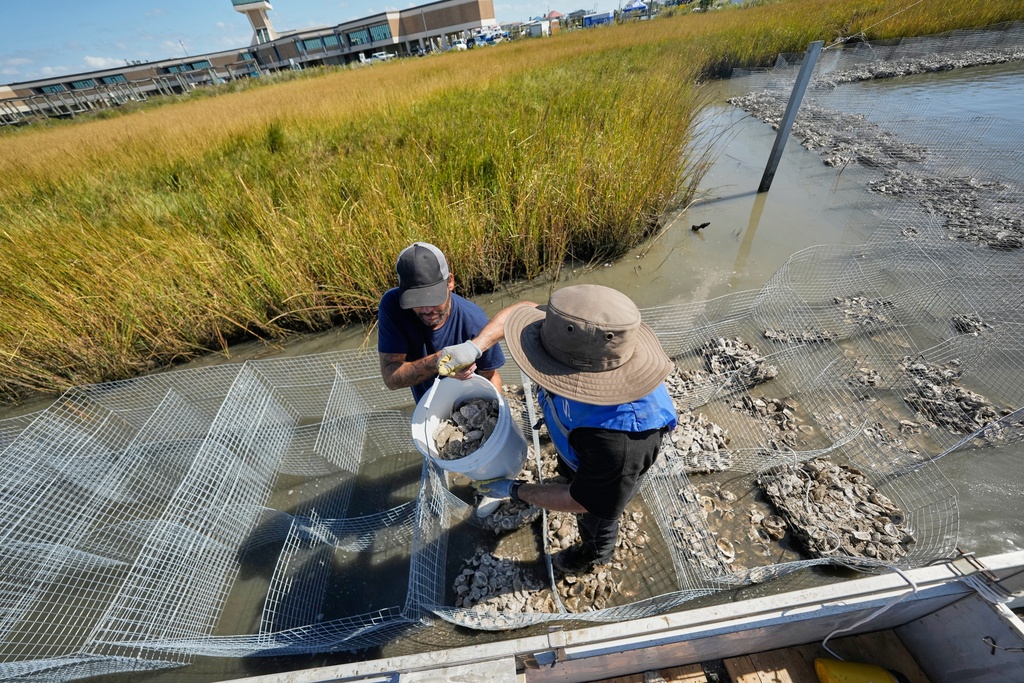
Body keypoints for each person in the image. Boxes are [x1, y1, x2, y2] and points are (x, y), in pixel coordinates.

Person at [437, 284, 678, 574]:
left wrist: (516, 490)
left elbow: (581, 500)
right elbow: (523, 309)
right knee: (571, 471)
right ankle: (570, 471)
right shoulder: (579, 334)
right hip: (580, 442)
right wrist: (476, 346)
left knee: (597, 521)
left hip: (605, 470)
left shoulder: (621, 443)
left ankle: (593, 556)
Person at [378, 242, 505, 402]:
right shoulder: (393, 305)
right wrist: (438, 360)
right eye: (416, 301)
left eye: (433, 298)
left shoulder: (475, 322)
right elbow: (391, 379)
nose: (426, 309)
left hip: (471, 398)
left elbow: (491, 376)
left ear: (450, 282)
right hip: (428, 403)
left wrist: (496, 416)